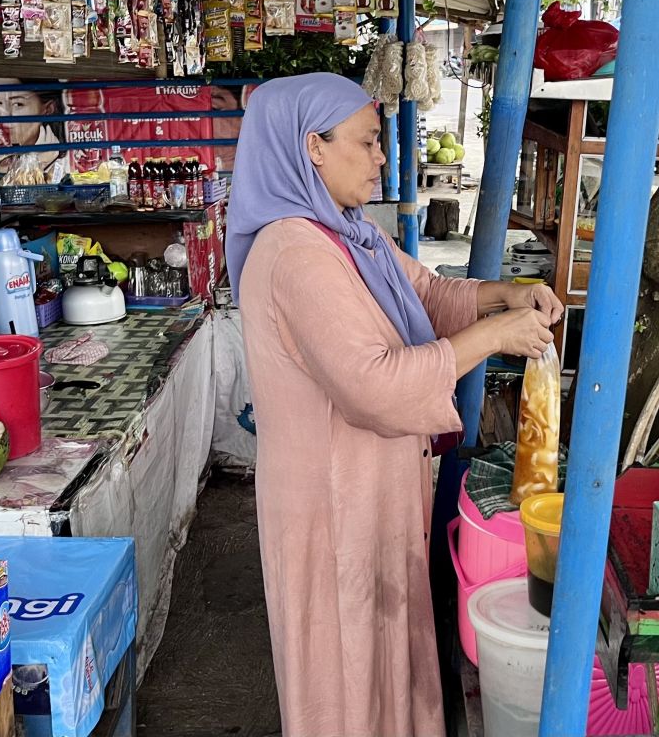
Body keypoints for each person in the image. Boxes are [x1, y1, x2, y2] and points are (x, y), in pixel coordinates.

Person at [227, 73, 562, 737]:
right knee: (343, 670)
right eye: (369, 141)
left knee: (382, 657)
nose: (384, 157)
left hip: (370, 487)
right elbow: (373, 383)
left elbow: (427, 294)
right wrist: (493, 336)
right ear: (312, 148)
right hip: (330, 502)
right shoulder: (295, 253)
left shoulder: (349, 234)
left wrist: (504, 295)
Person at [0, 79, 69, 181]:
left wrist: (40, 164)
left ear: (48, 108)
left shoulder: (64, 161)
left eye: (18, 104)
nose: (4, 115)